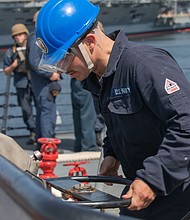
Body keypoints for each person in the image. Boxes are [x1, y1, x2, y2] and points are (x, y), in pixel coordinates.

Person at [35, 0, 190, 219]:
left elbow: (186, 124)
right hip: (140, 191)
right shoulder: (98, 78)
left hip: (179, 196)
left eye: (65, 59)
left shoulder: (145, 64)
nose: (62, 70)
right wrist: (112, 153)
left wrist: (153, 179)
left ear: (89, 42)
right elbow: (122, 119)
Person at [26, 11, 61, 150]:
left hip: (41, 83)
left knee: (43, 112)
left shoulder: (35, 37)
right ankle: (48, 146)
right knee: (47, 113)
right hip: (43, 83)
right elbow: (35, 62)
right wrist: (50, 74)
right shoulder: (36, 38)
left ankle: (42, 144)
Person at [3, 23, 36, 145]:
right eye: (15, 36)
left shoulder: (33, 47)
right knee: (25, 109)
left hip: (35, 81)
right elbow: (6, 71)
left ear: (26, 35)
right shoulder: (11, 52)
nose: (18, 37)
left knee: (41, 107)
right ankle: (33, 131)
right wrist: (14, 65)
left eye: (20, 34)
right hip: (21, 83)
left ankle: (42, 133)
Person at [71, 78, 98, 152]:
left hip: (75, 81)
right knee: (88, 115)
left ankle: (79, 145)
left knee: (78, 113)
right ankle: (89, 146)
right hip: (85, 80)